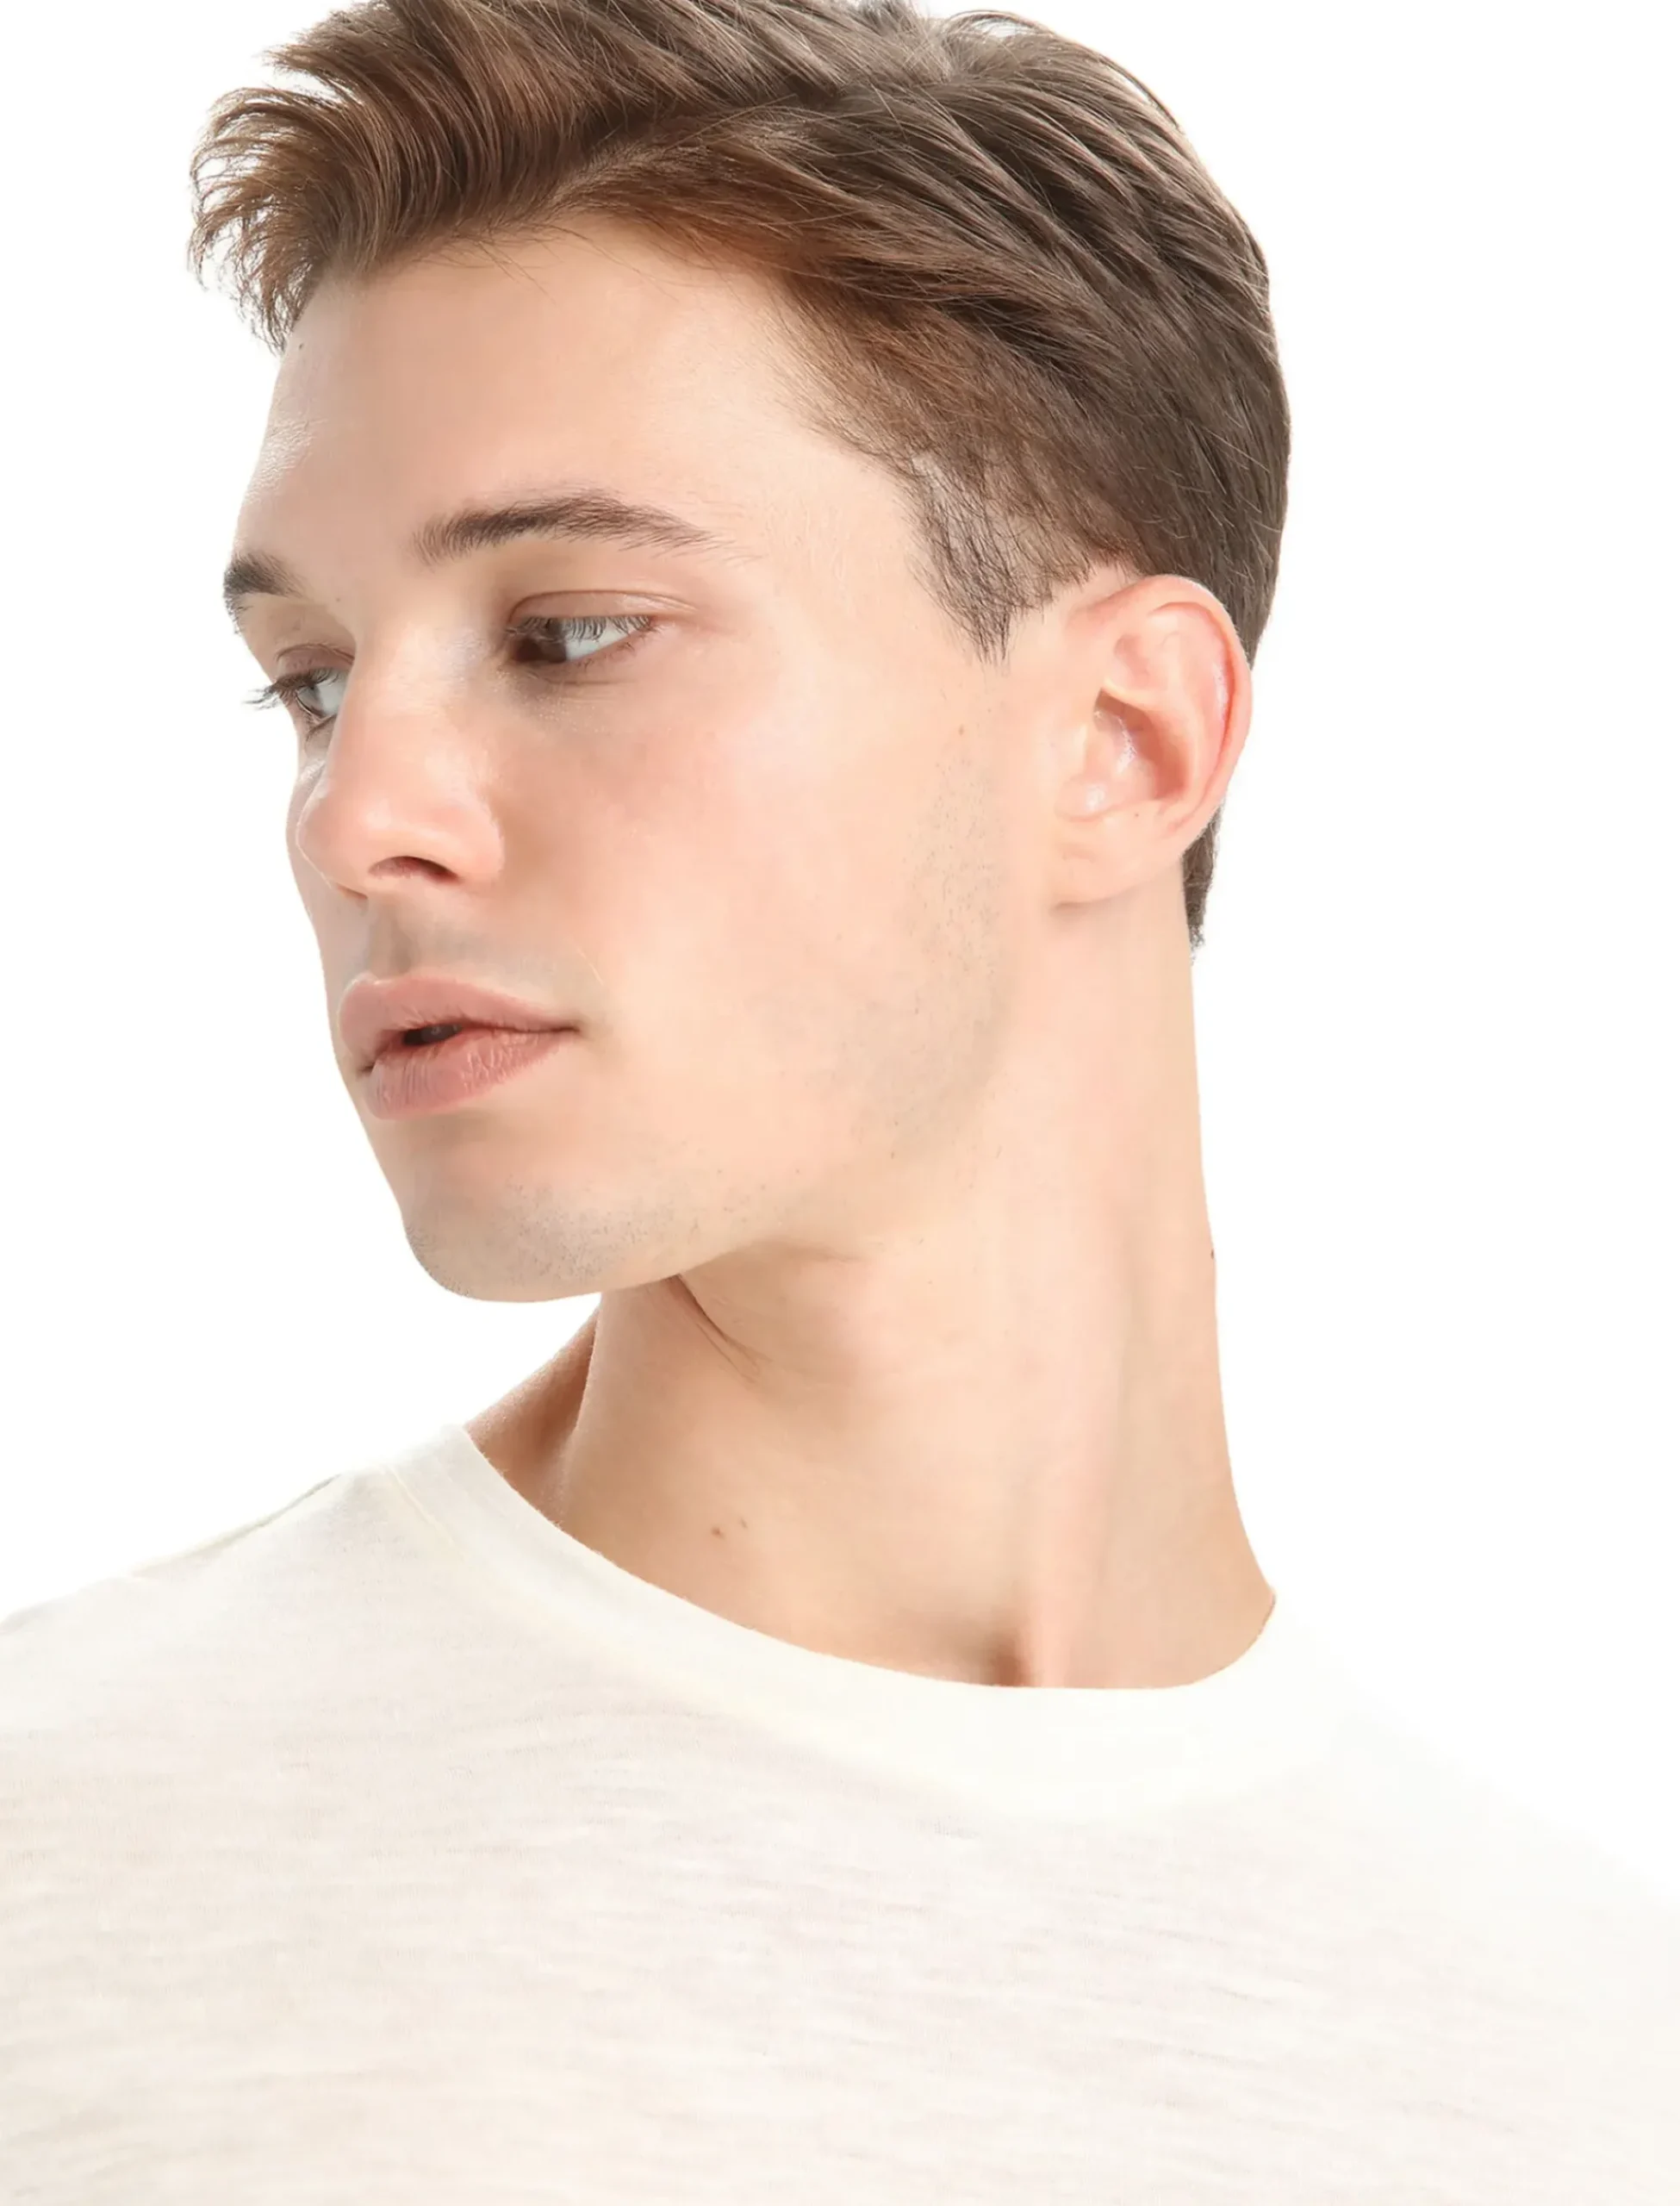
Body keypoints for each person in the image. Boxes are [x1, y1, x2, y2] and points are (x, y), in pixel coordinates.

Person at [3, 1, 1673, 2197]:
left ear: (1127, 741)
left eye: (570, 631)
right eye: (311, 681)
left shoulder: (1599, 2060)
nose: (355, 813)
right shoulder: (58, 1869)